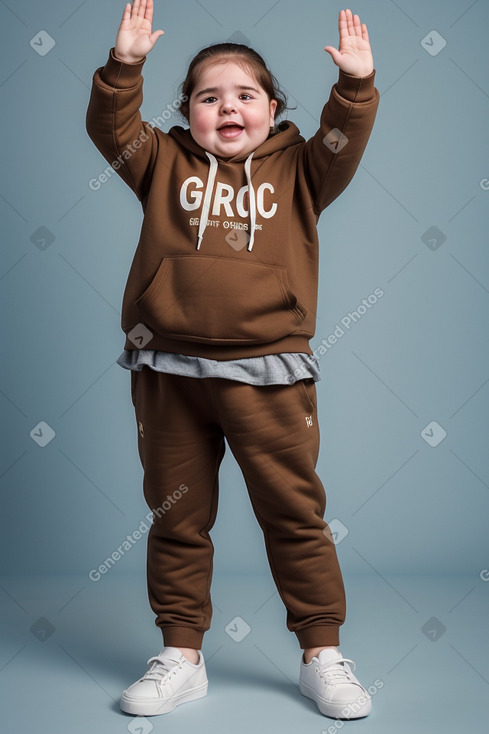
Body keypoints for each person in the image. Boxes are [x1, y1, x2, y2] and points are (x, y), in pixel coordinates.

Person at [86, 0, 379, 720]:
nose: (227, 106)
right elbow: (110, 128)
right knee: (176, 519)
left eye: (244, 94)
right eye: (207, 95)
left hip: (269, 372)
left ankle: (322, 654)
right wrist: (124, 68)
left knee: (293, 515)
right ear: (185, 113)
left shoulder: (303, 172)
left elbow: (342, 137)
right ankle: (180, 657)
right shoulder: (159, 161)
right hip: (169, 372)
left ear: (272, 109)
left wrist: (355, 87)